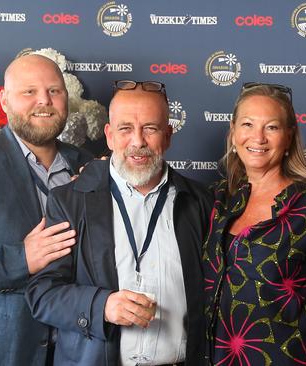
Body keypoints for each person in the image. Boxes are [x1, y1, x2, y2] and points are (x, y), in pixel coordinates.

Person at [25, 80, 212, 365]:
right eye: (125, 129)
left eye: (150, 128)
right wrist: (102, 306)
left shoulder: (199, 201)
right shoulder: (69, 201)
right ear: (110, 136)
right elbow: (43, 294)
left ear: (168, 136)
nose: (137, 141)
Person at [202, 83, 306, 365]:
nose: (258, 138)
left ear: (289, 136)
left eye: (271, 127)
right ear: (233, 132)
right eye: (248, 124)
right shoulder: (220, 199)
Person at [0, 54, 92, 366]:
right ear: (5, 101)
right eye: (29, 92)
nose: (44, 101)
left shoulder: (89, 166)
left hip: (78, 351)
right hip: (7, 351)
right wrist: (24, 259)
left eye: (54, 91)